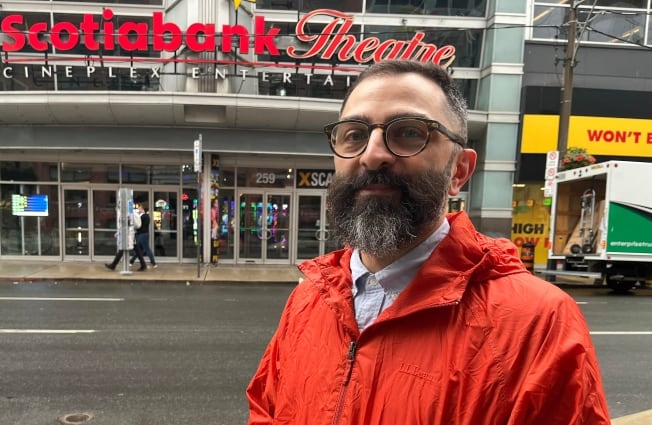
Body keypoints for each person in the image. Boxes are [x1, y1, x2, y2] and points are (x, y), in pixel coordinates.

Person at [246, 60, 610, 424]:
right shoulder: (307, 299)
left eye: (408, 132)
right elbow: (267, 408)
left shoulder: (538, 322)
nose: (372, 155)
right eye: (354, 134)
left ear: (459, 171)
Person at [106, 206, 146, 271]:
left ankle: (113, 265)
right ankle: (143, 265)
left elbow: (125, 226)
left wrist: (118, 233)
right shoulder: (129, 213)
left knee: (122, 250)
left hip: (128, 235)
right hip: (131, 234)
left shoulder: (126, 215)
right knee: (137, 250)